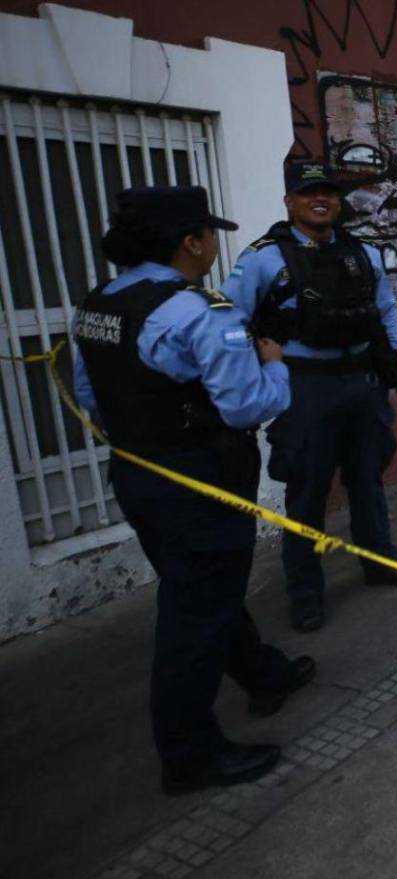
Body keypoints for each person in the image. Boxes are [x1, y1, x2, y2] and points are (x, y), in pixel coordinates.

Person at [73, 186, 315, 795]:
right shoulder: (201, 312)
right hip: (199, 480)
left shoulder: (98, 304)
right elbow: (244, 406)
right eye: (208, 234)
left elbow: (89, 396)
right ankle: (189, 754)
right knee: (193, 615)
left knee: (204, 590)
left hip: (139, 476)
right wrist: (275, 362)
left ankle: (264, 676)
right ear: (191, 242)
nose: (213, 245)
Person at [221, 162, 397, 634]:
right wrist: (252, 379)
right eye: (309, 192)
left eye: (329, 193)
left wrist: (391, 357)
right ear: (289, 201)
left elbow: (386, 306)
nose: (321, 200)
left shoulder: (362, 253)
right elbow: (230, 322)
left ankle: (380, 561)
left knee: (367, 477)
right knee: (307, 491)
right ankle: (305, 592)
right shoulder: (263, 258)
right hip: (304, 386)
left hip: (360, 380)